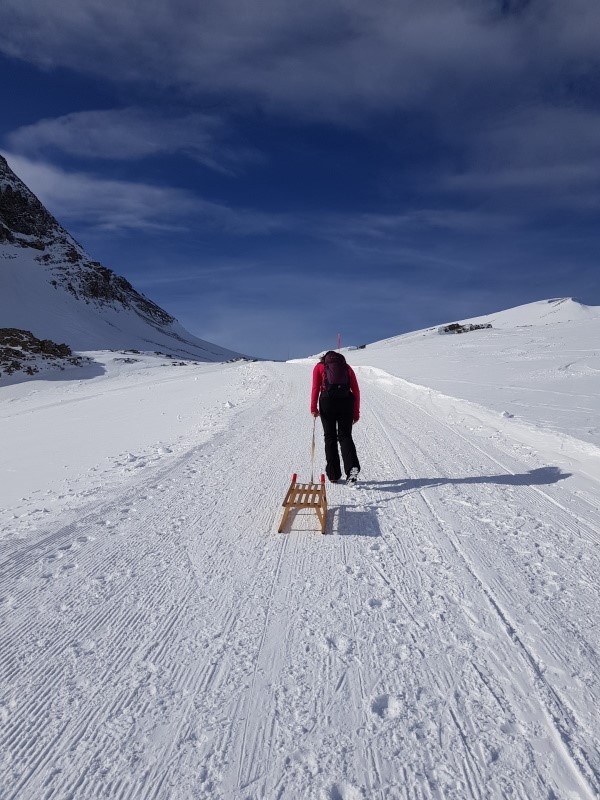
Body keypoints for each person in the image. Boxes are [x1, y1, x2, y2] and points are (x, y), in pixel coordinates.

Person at [311, 351, 361, 483]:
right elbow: (355, 390)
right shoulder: (347, 368)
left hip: (327, 402)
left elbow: (315, 388)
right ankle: (352, 469)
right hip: (346, 402)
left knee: (330, 437)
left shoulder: (319, 367)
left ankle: (333, 474)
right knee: (345, 436)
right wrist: (356, 412)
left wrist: (313, 408)